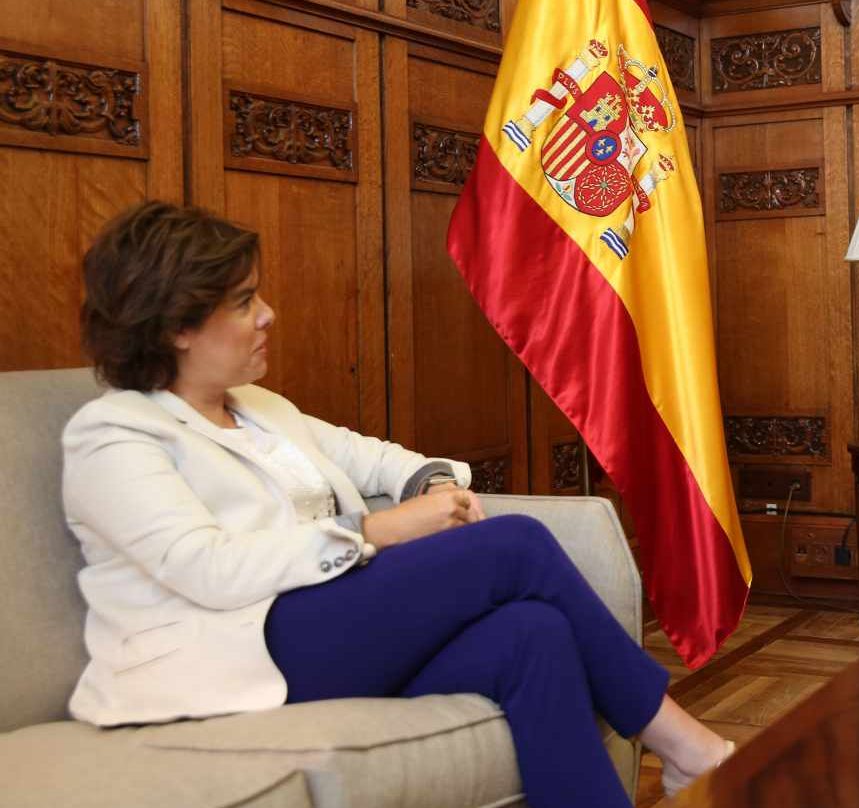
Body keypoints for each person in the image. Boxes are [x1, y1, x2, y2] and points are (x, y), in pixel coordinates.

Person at [63, 201, 730, 806]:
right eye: (242, 302)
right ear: (178, 324)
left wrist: (433, 489)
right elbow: (205, 568)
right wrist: (378, 529)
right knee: (517, 545)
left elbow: (380, 459)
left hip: (335, 630)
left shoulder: (260, 408)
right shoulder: (116, 434)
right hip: (242, 652)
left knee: (533, 634)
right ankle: (686, 747)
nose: (267, 314)